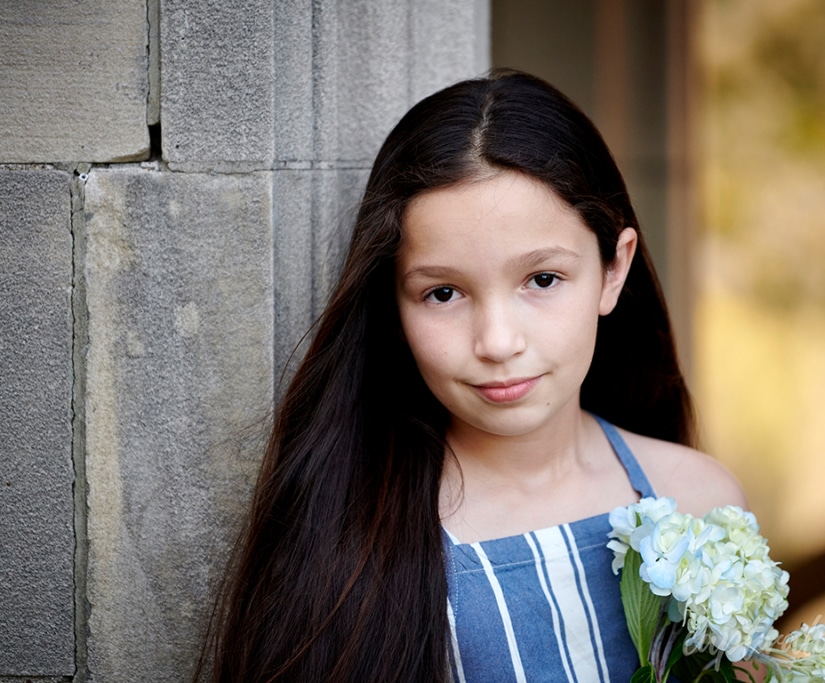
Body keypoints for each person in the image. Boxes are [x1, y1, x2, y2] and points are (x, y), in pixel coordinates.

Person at [197, 69, 746, 682]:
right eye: (444, 293)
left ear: (613, 270)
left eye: (542, 280)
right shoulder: (347, 541)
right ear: (394, 303)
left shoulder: (700, 506)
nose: (497, 342)